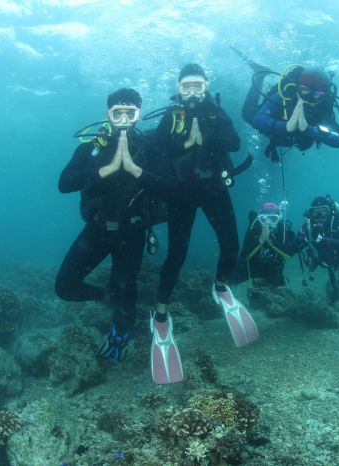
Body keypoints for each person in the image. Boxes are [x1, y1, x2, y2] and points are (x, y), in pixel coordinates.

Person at [149, 63, 259, 384]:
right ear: (178, 89)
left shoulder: (215, 112)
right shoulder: (171, 117)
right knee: (176, 256)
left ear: (206, 86)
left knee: (231, 246)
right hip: (181, 195)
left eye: (197, 86)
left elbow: (235, 143)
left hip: (213, 189)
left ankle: (221, 285)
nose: (193, 92)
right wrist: (185, 143)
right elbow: (154, 153)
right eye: (187, 87)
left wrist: (208, 136)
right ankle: (160, 316)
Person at [55, 88, 159, 363]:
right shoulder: (90, 149)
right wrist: (106, 169)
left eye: (130, 113)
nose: (123, 119)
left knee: (125, 288)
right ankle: (107, 296)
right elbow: (64, 184)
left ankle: (121, 333)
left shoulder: (149, 147)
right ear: (108, 115)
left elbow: (168, 187)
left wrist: (136, 170)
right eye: (117, 113)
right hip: (97, 230)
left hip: (132, 232)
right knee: (65, 288)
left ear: (138, 115)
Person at [235, 50, 339, 162]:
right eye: (305, 90)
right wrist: (286, 127)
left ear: (323, 97)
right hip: (278, 123)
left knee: (300, 141)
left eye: (316, 95)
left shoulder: (321, 108)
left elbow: (336, 141)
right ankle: (260, 75)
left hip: (293, 137)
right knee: (248, 113)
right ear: (298, 87)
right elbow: (258, 119)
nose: (309, 98)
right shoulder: (288, 94)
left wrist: (307, 129)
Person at [297, 195, 339, 301]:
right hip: (328, 259)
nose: (319, 216)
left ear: (330, 212)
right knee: (330, 265)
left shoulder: (337, 222)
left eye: (323, 212)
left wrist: (321, 239)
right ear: (310, 214)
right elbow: (299, 242)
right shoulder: (309, 227)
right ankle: (335, 293)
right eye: (315, 212)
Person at [231, 202, 301, 287]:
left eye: (273, 219)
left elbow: (288, 255)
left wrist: (271, 243)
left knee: (279, 289)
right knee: (231, 280)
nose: (268, 222)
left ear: (278, 218)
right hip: (250, 265)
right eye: (264, 219)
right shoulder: (255, 227)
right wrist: (260, 240)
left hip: (272, 268)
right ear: (259, 218)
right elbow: (245, 254)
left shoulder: (281, 230)